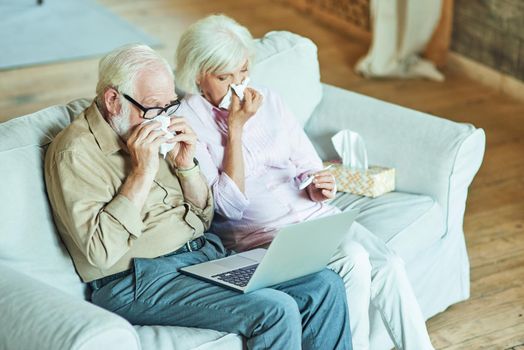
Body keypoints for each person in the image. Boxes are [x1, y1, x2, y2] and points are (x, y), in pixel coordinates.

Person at [44, 43, 353, 350]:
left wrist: (186, 167)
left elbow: (203, 219)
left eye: (169, 107)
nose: (161, 119)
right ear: (113, 100)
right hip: (136, 279)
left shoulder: (149, 126)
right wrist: (142, 172)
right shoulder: (75, 152)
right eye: (153, 108)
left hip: (203, 257)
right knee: (275, 309)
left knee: (323, 284)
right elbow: (99, 252)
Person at [175, 14, 435, 350]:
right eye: (225, 78)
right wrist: (235, 129)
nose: (239, 86)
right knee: (353, 259)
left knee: (390, 263)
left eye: (243, 72)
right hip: (265, 236)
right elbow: (227, 206)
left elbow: (307, 164)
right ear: (197, 74)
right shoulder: (185, 122)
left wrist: (316, 184)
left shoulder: (268, 98)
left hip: (316, 217)